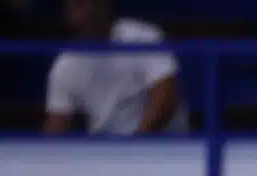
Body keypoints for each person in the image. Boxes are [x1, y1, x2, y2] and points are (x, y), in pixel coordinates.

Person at [44, 0, 187, 135]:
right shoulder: (66, 63)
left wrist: (134, 145)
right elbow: (56, 124)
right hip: (106, 147)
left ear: (105, 5)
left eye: (92, 3)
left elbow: (166, 100)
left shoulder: (143, 37)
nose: (87, 12)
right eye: (77, 6)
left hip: (163, 144)